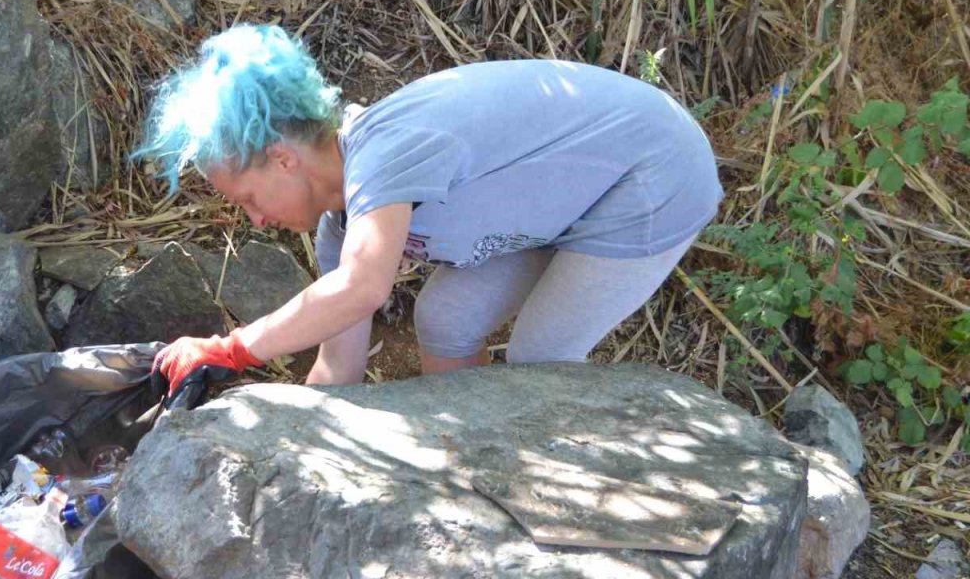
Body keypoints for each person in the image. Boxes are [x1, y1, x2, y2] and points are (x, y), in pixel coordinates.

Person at [137, 24, 723, 398]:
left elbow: (362, 291)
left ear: (283, 160)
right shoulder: (342, 225)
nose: (255, 221)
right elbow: (338, 369)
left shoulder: (386, 153)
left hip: (652, 174)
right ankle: (465, 454)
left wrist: (233, 349)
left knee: (538, 361)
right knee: (444, 318)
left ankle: (537, 489)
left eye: (248, 200)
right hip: (562, 202)